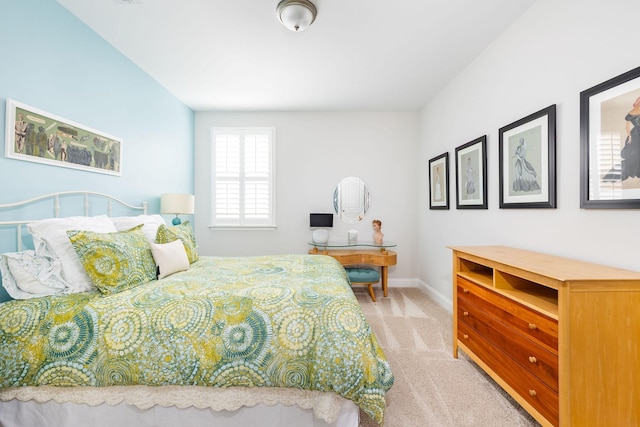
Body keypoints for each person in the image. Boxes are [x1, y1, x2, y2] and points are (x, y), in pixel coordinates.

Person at [621, 96, 640, 182]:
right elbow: (627, 127)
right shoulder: (631, 113)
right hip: (636, 134)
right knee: (635, 152)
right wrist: (630, 136)